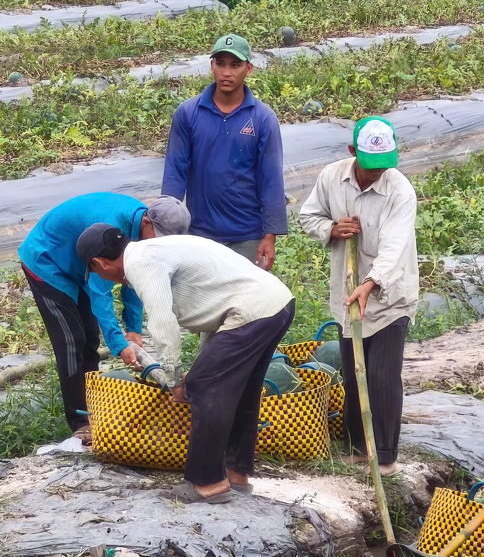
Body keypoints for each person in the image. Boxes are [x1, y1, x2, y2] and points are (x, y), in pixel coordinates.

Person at [78, 224, 295, 504]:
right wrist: (203, 363)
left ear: (100, 263)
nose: (101, 276)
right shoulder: (155, 250)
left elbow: (163, 322)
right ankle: (235, 473)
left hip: (253, 311)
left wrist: (175, 378)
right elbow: (217, 311)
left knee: (203, 389)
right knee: (242, 392)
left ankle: (207, 483)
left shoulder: (141, 263)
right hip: (275, 304)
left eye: (95, 272)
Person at [17, 193, 190, 442]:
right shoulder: (110, 231)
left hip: (84, 266)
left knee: (90, 338)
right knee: (72, 339)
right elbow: (101, 292)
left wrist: (133, 329)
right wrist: (119, 344)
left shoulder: (144, 232)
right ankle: (80, 422)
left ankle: (92, 408)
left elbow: (133, 277)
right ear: (147, 223)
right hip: (49, 261)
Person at [299, 116, 418, 476]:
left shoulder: (399, 191)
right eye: (369, 168)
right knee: (354, 373)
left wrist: (371, 283)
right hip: (349, 293)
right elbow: (308, 216)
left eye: (382, 169)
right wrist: (333, 228)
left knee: (382, 375)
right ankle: (355, 449)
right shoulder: (332, 178)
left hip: (389, 295)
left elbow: (394, 248)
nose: (374, 175)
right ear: (353, 152)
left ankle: (384, 457)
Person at [162, 33, 287, 268]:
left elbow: (270, 179)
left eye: (235, 65)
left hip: (248, 235)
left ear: (248, 69)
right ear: (212, 66)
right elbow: (175, 173)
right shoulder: (188, 113)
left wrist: (270, 236)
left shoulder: (262, 118)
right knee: (202, 301)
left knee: (248, 303)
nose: (226, 72)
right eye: (220, 64)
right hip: (200, 234)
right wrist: (167, 227)